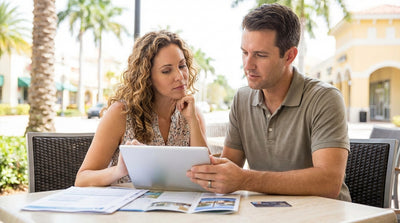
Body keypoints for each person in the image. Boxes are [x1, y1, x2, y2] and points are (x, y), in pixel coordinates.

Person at [187, 3, 351, 201]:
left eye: (260, 55)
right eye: (245, 52)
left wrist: (246, 179)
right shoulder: (242, 99)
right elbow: (229, 167)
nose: (248, 65)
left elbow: (329, 183)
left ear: (289, 56)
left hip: (325, 215)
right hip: (267, 213)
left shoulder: (324, 98)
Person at [75, 30, 208, 187]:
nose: (180, 76)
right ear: (147, 77)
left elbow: (206, 175)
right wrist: (119, 170)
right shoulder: (121, 114)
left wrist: (193, 121)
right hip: (128, 209)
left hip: (178, 207)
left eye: (182, 65)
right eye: (166, 71)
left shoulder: (193, 113)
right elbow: (82, 180)